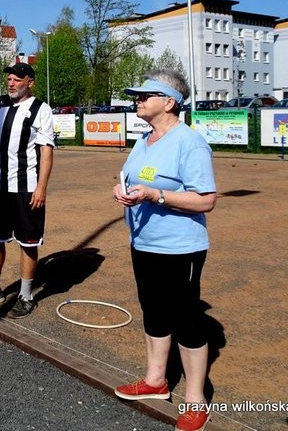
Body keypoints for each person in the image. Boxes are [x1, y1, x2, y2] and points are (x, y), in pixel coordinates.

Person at [112, 70, 217, 431]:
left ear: (170, 102)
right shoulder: (145, 139)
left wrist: (155, 194)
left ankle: (195, 399)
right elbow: (128, 175)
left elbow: (206, 201)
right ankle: (156, 381)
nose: (137, 100)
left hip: (180, 248)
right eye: (136, 95)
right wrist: (121, 188)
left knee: (187, 320)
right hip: (143, 242)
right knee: (153, 311)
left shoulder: (190, 142)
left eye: (145, 95)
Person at [0, 62, 54, 319]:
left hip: (26, 188)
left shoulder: (41, 109)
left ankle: (26, 295)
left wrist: (41, 188)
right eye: (9, 79)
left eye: (17, 79)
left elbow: (46, 151)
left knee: (28, 241)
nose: (11, 83)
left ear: (30, 82)